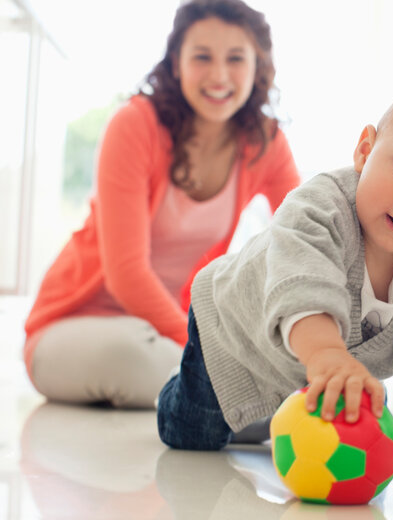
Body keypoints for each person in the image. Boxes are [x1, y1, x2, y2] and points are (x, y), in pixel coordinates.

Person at [157, 72, 393, 493]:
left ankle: (269, 409)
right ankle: (173, 384)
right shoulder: (318, 208)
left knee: (317, 409)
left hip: (316, 364)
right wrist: (327, 353)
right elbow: (300, 282)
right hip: (232, 334)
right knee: (193, 435)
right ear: (366, 150)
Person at [23, 0, 300, 409]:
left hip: (163, 332)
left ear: (258, 65)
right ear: (176, 63)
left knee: (248, 358)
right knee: (135, 352)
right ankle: (251, 409)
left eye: (236, 58)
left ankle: (252, 406)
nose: (220, 75)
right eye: (202, 57)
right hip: (71, 329)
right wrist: (208, 351)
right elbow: (126, 274)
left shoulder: (265, 142)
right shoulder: (135, 125)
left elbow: (303, 237)